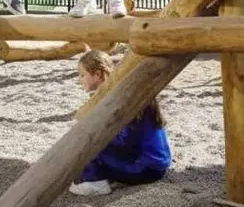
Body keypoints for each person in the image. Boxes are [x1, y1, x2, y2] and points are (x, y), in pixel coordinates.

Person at [68, 49, 172, 196]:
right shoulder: (125, 92)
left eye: (82, 75)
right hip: (156, 164)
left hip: (147, 168)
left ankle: (95, 182)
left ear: (98, 74)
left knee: (88, 149)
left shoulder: (124, 101)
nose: (80, 79)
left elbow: (126, 141)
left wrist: (96, 140)